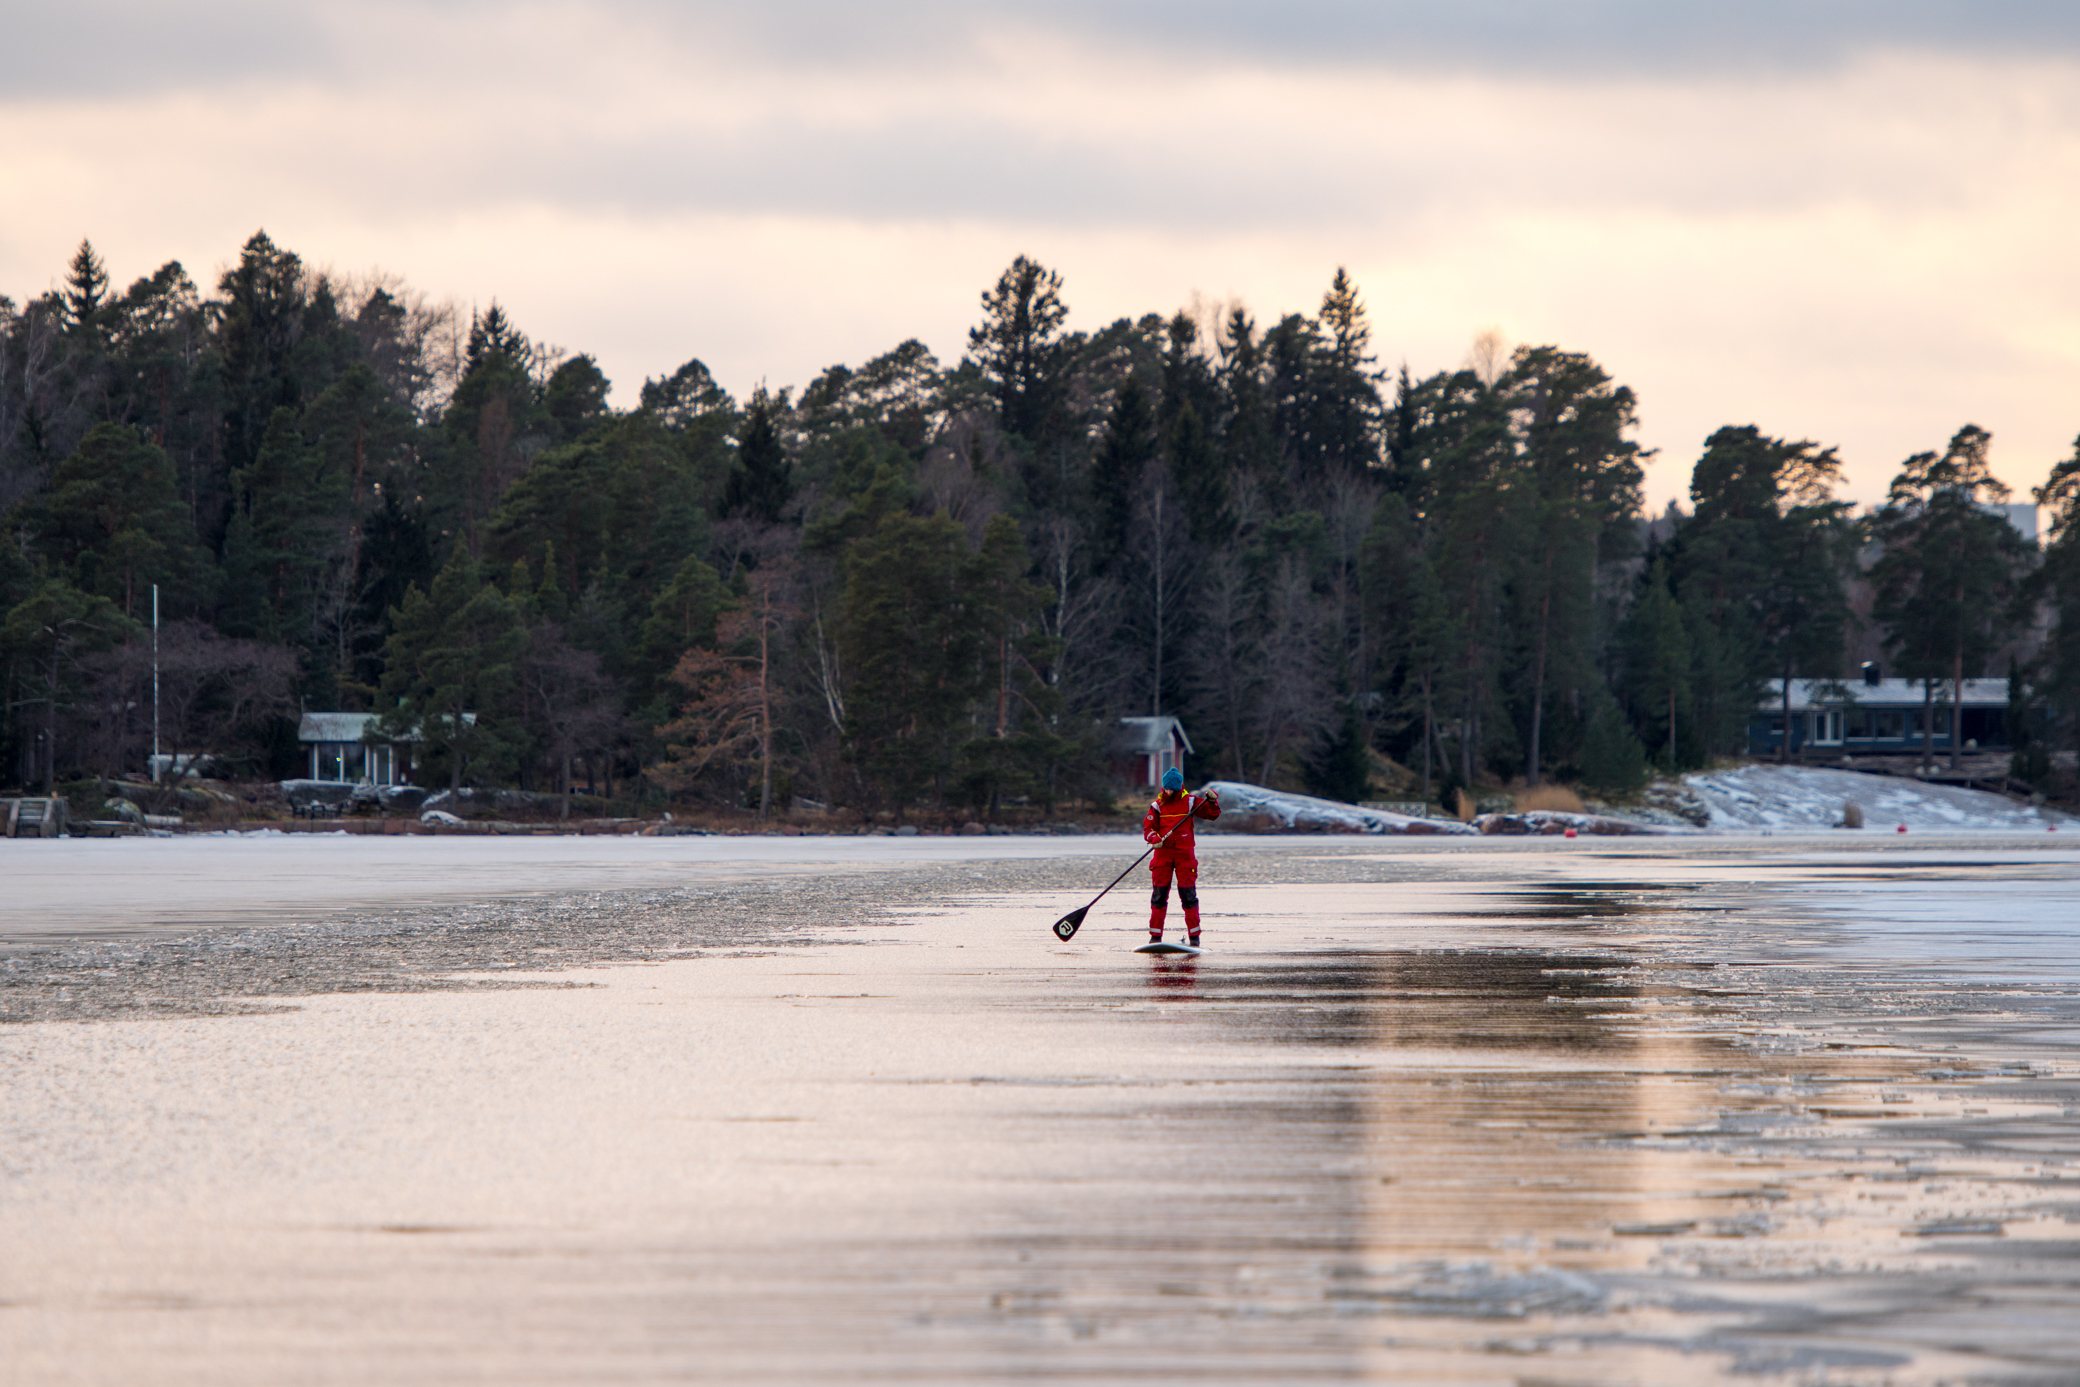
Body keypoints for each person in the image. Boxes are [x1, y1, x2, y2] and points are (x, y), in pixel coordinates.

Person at [1141, 767, 1220, 947]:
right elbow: (1148, 828)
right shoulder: (1156, 805)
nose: (1168, 792)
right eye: (1166, 789)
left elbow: (1212, 815)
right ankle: (1155, 938)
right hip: (1162, 856)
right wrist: (1154, 838)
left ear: (1178, 788)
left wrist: (1213, 802)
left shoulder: (1191, 802)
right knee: (1159, 897)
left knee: (1188, 897)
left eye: (1171, 789)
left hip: (1185, 857)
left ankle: (1194, 938)